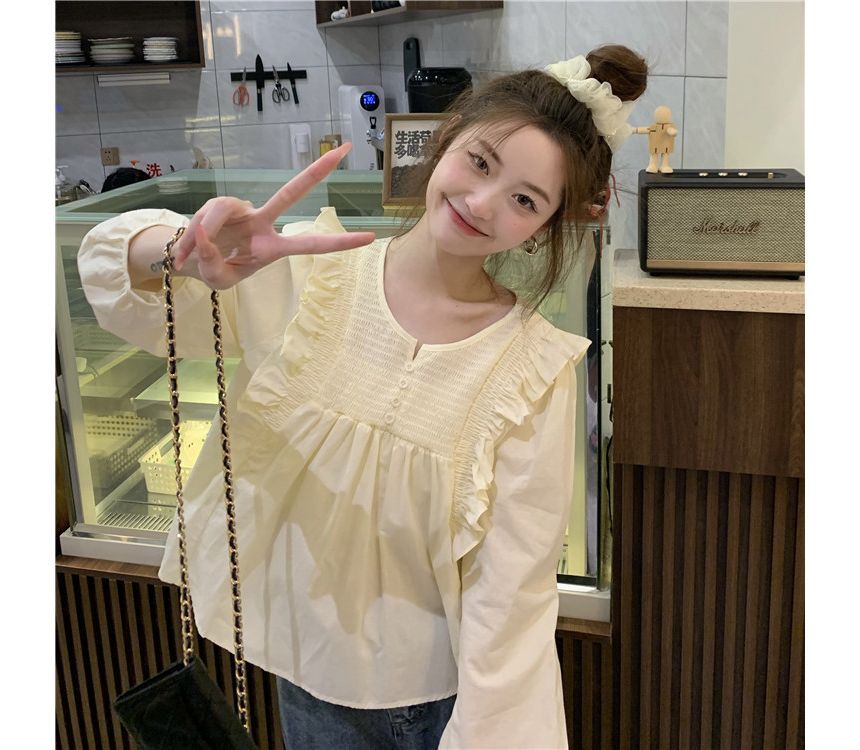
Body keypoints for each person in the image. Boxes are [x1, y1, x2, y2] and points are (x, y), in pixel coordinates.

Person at [78, 43, 647, 749]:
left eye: (524, 200)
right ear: (446, 138)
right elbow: (132, 287)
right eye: (480, 162)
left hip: (440, 700)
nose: (482, 203)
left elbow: (510, 592)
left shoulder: (531, 369)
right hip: (307, 677)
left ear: (544, 226)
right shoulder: (311, 273)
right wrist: (180, 250)